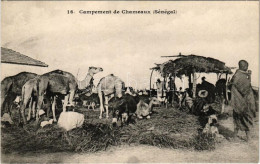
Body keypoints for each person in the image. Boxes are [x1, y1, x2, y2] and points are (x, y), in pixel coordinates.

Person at [230, 60, 256, 141]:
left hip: (238, 103)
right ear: (244, 66)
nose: (247, 67)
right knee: (245, 118)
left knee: (237, 119)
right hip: (243, 103)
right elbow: (245, 89)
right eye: (246, 66)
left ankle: (234, 137)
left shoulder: (237, 75)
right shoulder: (240, 76)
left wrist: (248, 76)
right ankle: (248, 138)